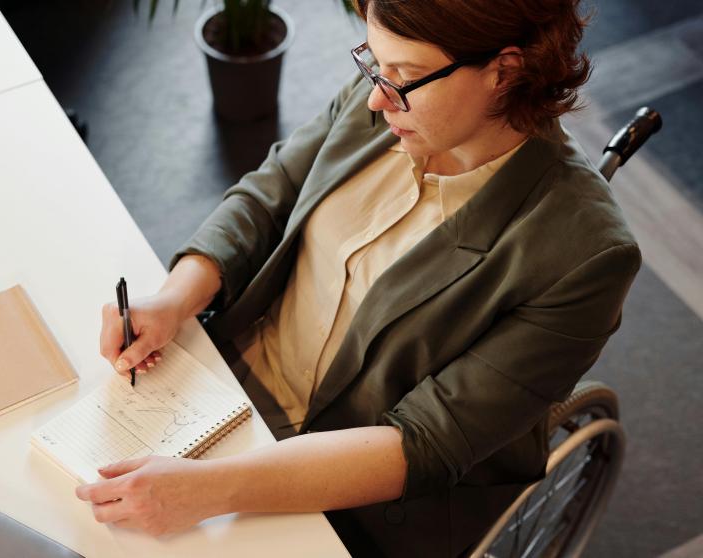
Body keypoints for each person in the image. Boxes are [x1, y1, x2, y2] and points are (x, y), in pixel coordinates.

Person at [75, 0, 641, 555]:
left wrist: (211, 487)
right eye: (373, 62)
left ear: (505, 70)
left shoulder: (588, 257)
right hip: (223, 390)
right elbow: (269, 198)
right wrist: (173, 301)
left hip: (354, 496)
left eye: (402, 76)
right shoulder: (387, 104)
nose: (376, 95)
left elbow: (423, 443)